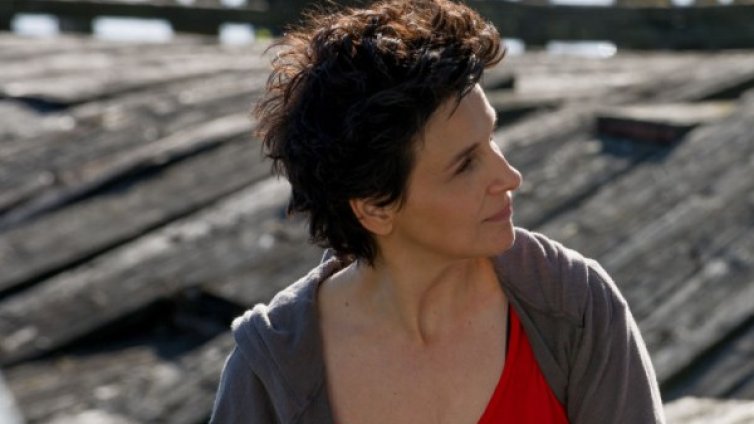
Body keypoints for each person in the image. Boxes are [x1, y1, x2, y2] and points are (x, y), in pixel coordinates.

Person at [210, 0, 665, 422]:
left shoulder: (573, 307)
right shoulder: (269, 373)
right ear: (375, 207)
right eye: (465, 164)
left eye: (491, 138)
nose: (510, 177)